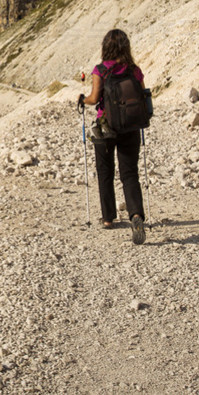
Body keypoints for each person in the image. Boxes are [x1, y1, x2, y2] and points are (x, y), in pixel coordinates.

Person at [77, 29, 146, 244]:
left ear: (106, 47)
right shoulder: (135, 70)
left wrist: (82, 99)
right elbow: (142, 95)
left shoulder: (100, 70)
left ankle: (108, 218)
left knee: (105, 170)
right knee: (129, 173)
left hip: (106, 127)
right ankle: (136, 215)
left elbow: (94, 97)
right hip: (131, 127)